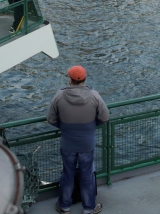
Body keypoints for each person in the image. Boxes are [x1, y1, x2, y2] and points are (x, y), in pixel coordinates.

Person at [47, 65, 109, 214]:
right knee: (87, 175)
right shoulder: (94, 96)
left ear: (70, 79)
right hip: (87, 143)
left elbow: (50, 118)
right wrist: (91, 127)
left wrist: (64, 127)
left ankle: (64, 206)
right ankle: (89, 208)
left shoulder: (59, 96)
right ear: (85, 78)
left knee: (67, 174)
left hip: (68, 143)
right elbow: (105, 117)